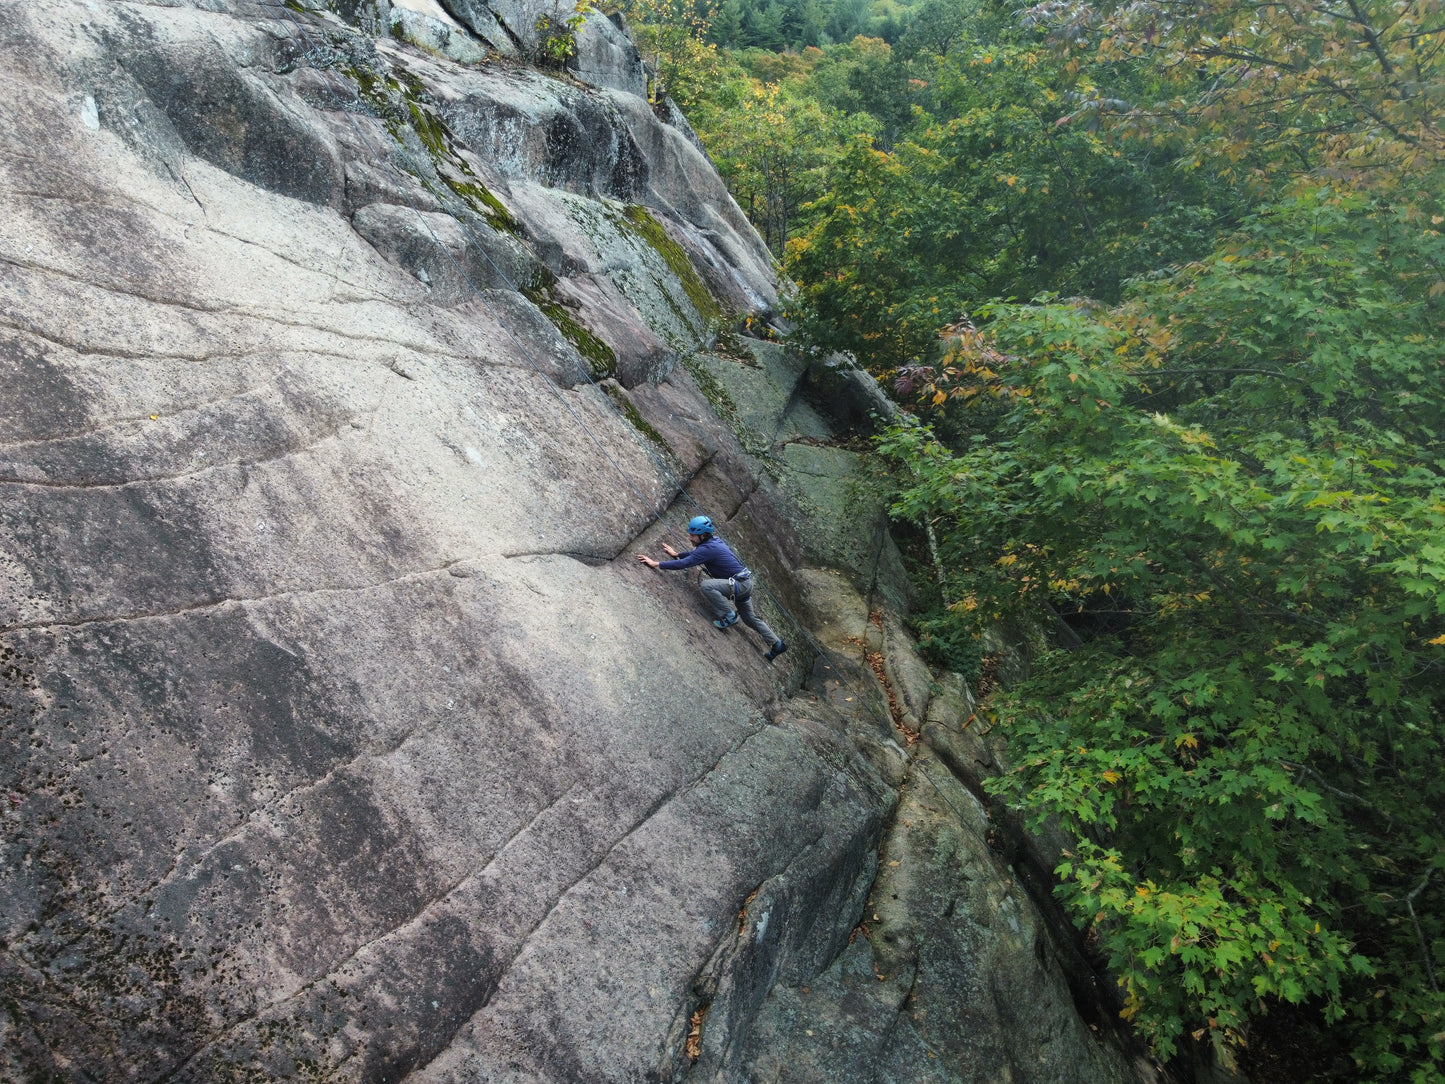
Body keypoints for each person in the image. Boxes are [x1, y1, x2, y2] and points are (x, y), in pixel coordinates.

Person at [637, 515, 788, 662]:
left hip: (739, 585)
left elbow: (686, 563)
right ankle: (777, 644)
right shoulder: (713, 542)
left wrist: (657, 563)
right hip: (744, 583)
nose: (690, 538)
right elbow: (695, 555)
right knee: (749, 618)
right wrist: (677, 554)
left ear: (703, 535)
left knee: (707, 586)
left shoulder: (707, 548)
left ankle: (729, 615)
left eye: (693, 536)